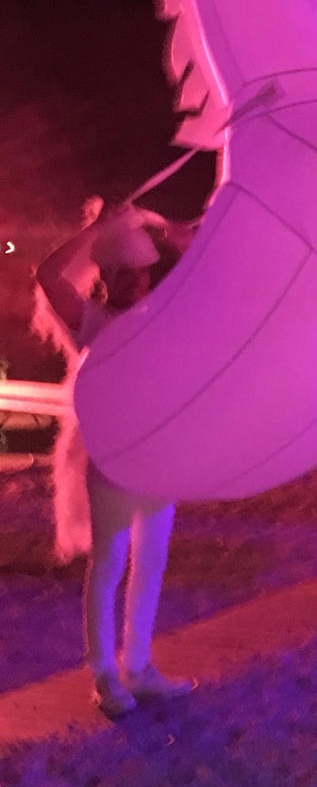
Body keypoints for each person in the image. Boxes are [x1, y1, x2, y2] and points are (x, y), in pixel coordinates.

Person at [36, 203, 195, 719]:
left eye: (142, 272)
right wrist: (95, 230)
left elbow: (206, 281)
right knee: (108, 564)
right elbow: (47, 276)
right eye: (124, 274)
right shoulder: (92, 320)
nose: (136, 282)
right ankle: (104, 673)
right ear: (105, 276)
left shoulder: (162, 315)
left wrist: (176, 240)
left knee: (151, 563)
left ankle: (139, 665)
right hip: (111, 462)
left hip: (159, 461)